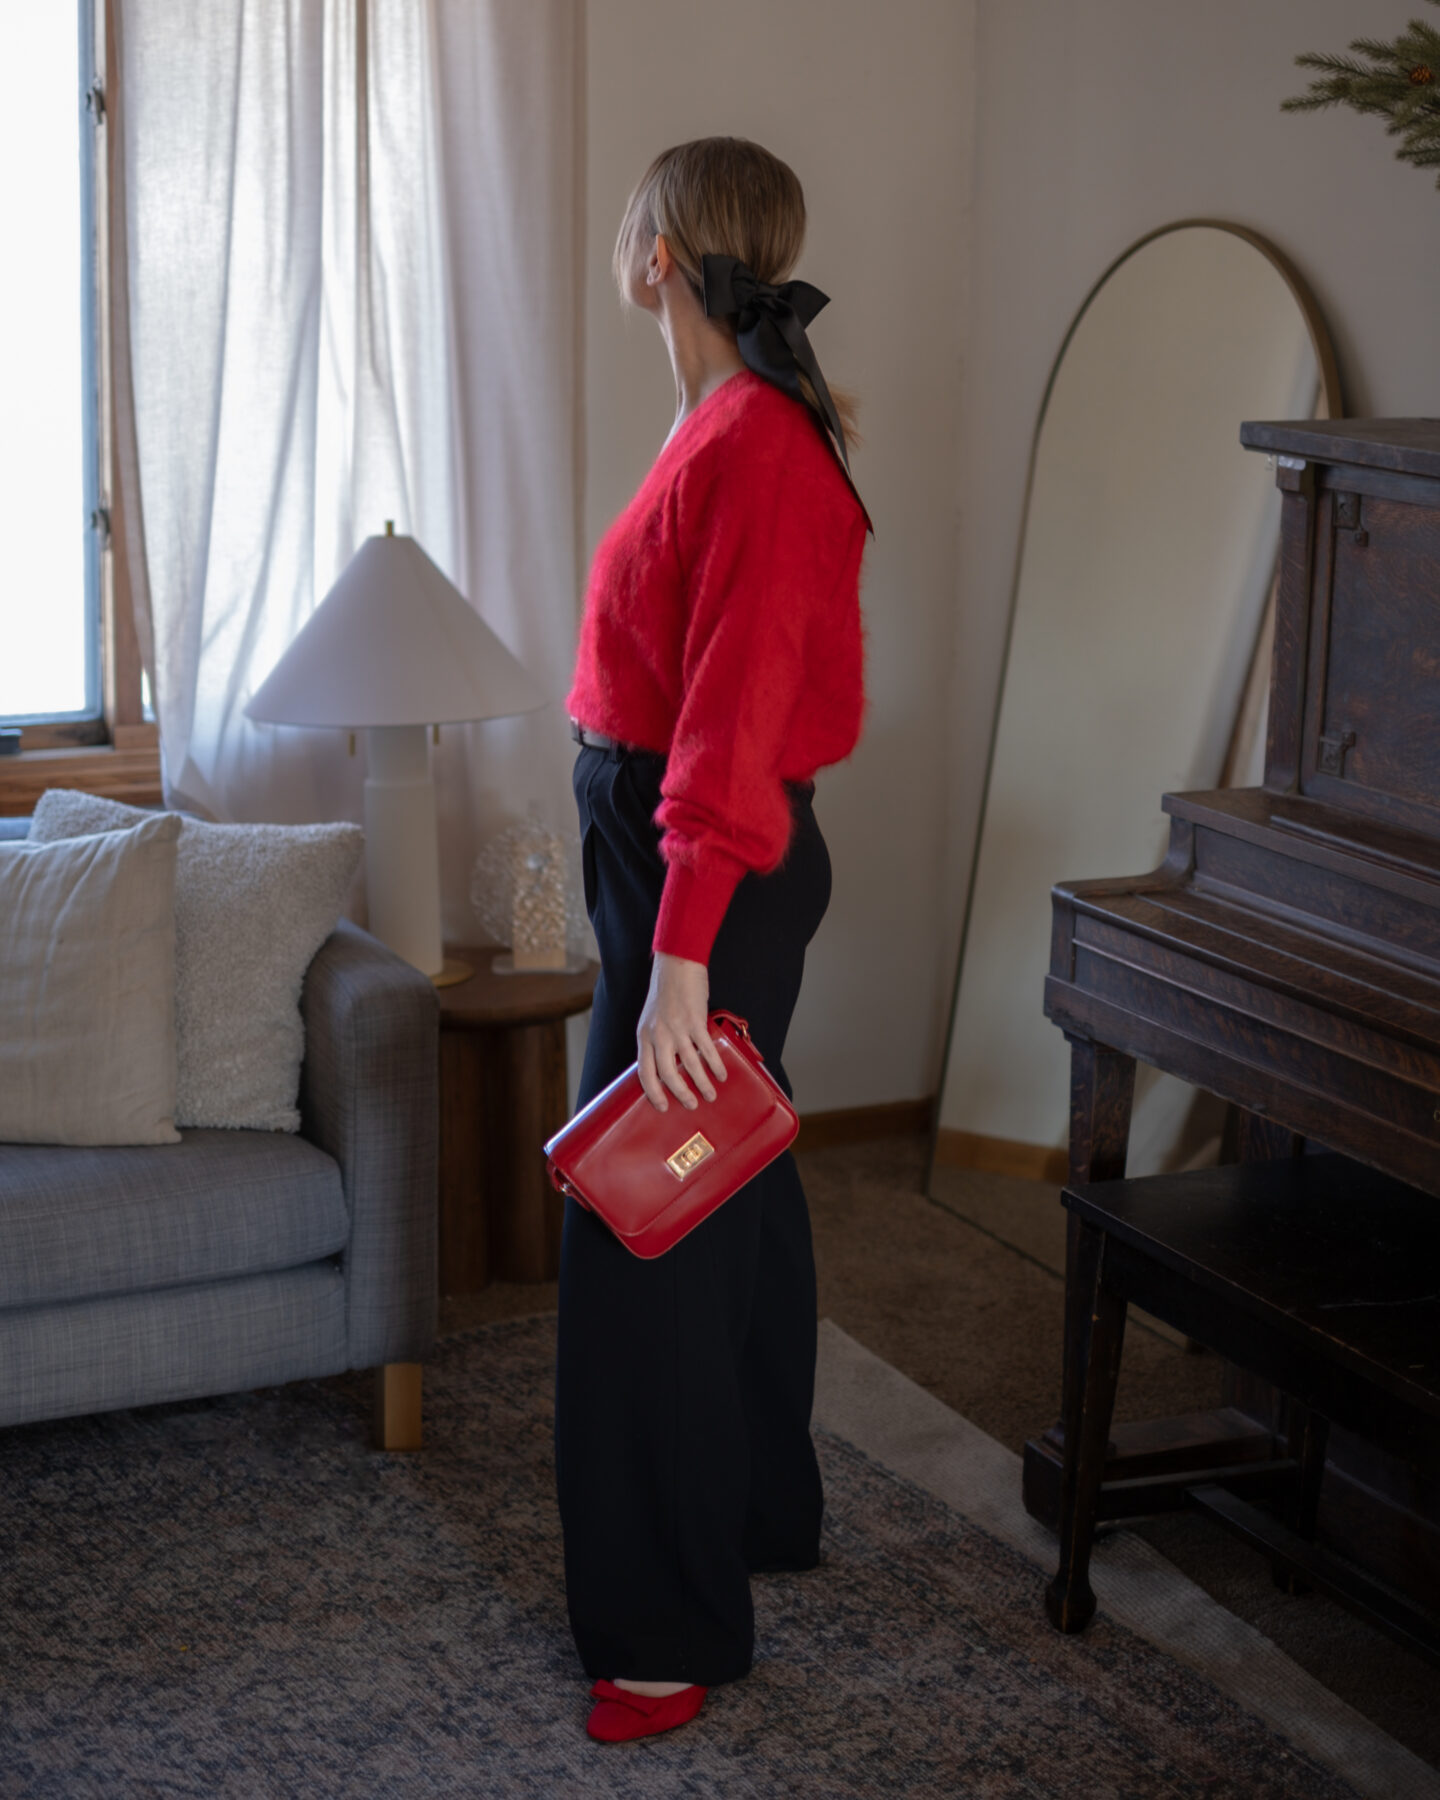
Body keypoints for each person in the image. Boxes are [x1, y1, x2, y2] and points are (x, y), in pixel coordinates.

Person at [557, 135, 870, 1745]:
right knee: (733, 1177)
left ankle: (670, 1634)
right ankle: (760, 1508)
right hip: (685, 859)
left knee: (643, 1232)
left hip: (705, 872)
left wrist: (680, 954)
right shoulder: (738, 419)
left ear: (657, 256)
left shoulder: (753, 437)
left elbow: (735, 722)